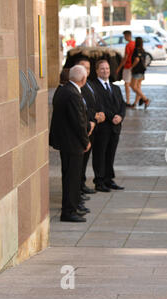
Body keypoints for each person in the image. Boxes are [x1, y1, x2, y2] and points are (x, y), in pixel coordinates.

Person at [49, 65, 91, 223]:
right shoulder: (73, 94)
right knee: (72, 178)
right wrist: (85, 141)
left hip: (66, 143)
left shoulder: (64, 90)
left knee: (69, 177)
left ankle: (71, 208)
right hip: (73, 144)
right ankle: (69, 211)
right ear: (83, 79)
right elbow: (78, 122)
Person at [91, 60, 126, 192]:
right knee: (100, 154)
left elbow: (122, 104)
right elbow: (100, 106)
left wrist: (121, 116)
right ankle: (99, 181)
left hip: (115, 128)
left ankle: (108, 179)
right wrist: (113, 117)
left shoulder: (115, 87)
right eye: (102, 69)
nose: (105, 71)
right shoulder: (94, 87)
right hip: (102, 128)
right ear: (97, 71)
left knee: (110, 154)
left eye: (107, 68)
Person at [76, 58, 107, 197]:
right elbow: (82, 108)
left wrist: (100, 113)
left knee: (85, 160)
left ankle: (82, 184)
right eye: (83, 67)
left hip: (93, 127)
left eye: (88, 68)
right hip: (84, 126)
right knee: (79, 162)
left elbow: (96, 101)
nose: (86, 71)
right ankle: (78, 187)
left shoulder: (89, 84)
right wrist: (94, 115)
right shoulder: (77, 86)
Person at [115, 31, 136, 107]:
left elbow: (125, 58)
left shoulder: (128, 45)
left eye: (124, 36)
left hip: (128, 66)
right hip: (134, 67)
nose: (124, 38)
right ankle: (137, 100)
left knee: (127, 84)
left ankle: (128, 101)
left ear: (127, 36)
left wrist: (119, 68)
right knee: (134, 85)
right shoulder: (135, 44)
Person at [130, 37, 151, 108]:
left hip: (137, 71)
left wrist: (132, 67)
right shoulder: (143, 50)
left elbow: (136, 59)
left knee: (133, 86)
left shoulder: (136, 50)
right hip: (142, 71)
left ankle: (145, 99)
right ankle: (135, 103)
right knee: (138, 88)